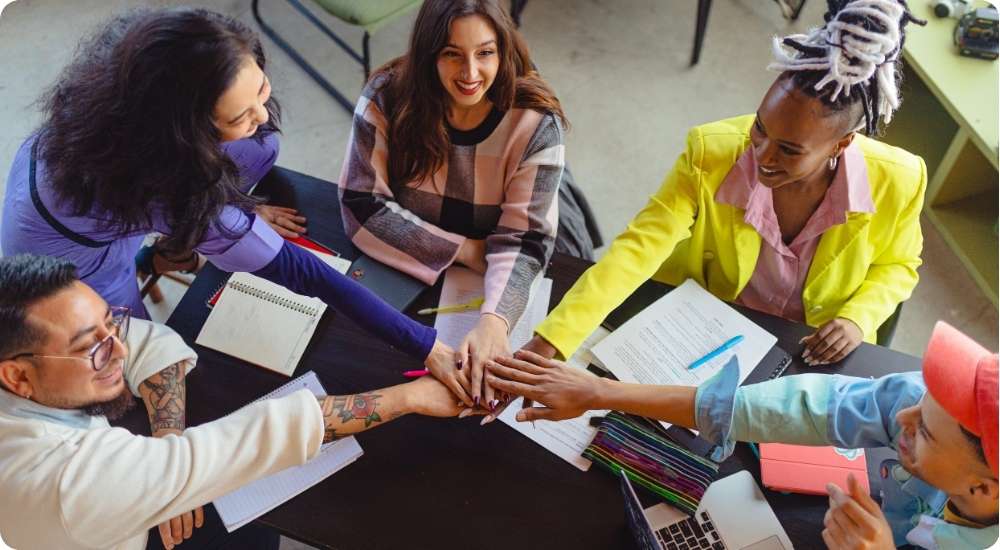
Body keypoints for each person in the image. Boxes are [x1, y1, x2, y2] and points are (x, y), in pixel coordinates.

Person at [0, 8, 468, 403]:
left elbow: (241, 148)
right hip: (71, 262)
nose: (261, 115)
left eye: (260, 90)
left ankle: (163, 249)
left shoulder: (128, 77)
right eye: (238, 115)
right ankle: (150, 266)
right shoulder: (168, 187)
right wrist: (429, 347)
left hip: (78, 187)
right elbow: (304, 273)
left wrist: (230, 215)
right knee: (132, 362)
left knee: (259, 147)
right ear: (185, 137)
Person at [524, 0, 927, 367]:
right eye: (760, 128)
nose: (762, 156)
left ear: (842, 143)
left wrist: (859, 318)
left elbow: (898, 265)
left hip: (809, 354)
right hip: (702, 333)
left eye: (788, 150)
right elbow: (636, 251)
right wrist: (551, 342)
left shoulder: (899, 181)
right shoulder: (710, 152)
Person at [0, 254, 473, 550]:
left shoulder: (29, 370)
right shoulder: (64, 483)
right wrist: (412, 395)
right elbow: (251, 438)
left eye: (111, 322)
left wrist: (169, 438)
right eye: (92, 347)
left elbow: (147, 340)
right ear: (18, 376)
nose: (118, 349)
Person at [487, 321, 998, 549]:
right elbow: (804, 409)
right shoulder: (930, 405)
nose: (900, 419)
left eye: (923, 431)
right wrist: (600, 392)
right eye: (916, 403)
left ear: (982, 490)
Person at [338, 0, 586, 410]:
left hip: (506, 249)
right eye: (452, 54)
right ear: (427, 53)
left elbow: (525, 242)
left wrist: (494, 321)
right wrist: (467, 250)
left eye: (485, 53)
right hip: (436, 263)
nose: (470, 74)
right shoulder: (386, 95)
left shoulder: (537, 122)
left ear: (504, 50)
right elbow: (360, 206)